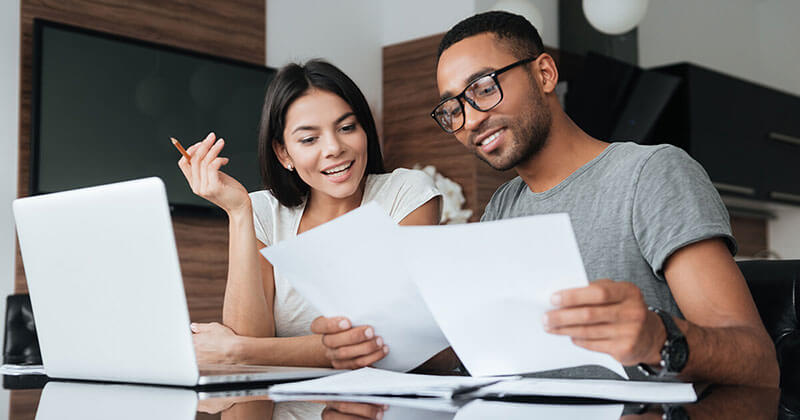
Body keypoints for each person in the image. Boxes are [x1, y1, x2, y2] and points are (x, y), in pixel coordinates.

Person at [312, 12, 779, 386]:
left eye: (483, 89)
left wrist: (659, 337)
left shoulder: (651, 173)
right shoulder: (502, 206)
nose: (470, 120)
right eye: (453, 109)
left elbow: (757, 361)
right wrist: (376, 345)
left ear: (545, 72)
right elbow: (483, 356)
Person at [178, 60, 442, 368]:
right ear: (283, 153)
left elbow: (387, 340)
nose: (333, 148)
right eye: (309, 139)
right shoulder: (263, 211)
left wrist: (240, 350)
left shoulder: (406, 194)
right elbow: (247, 336)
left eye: (346, 128)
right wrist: (238, 213)